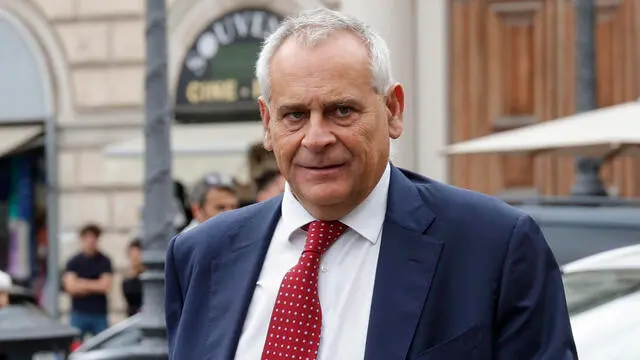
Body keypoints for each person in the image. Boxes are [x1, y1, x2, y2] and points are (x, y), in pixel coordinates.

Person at [165, 8, 576, 360]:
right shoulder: (202, 256)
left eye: (341, 110)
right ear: (267, 124)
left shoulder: (494, 248)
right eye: (294, 115)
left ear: (393, 110)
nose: (316, 138)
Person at [63, 223, 113, 339]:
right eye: (88, 237)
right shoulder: (73, 262)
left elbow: (105, 286)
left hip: (99, 313)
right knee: (75, 346)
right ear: (82, 239)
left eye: (93, 238)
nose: (91, 241)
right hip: (79, 313)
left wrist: (81, 283)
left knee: (103, 346)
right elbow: (70, 287)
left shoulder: (104, 261)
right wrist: (95, 285)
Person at [121, 239, 143, 317]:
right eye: (132, 254)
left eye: (137, 254)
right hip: (132, 315)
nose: (134, 258)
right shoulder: (127, 278)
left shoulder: (147, 276)